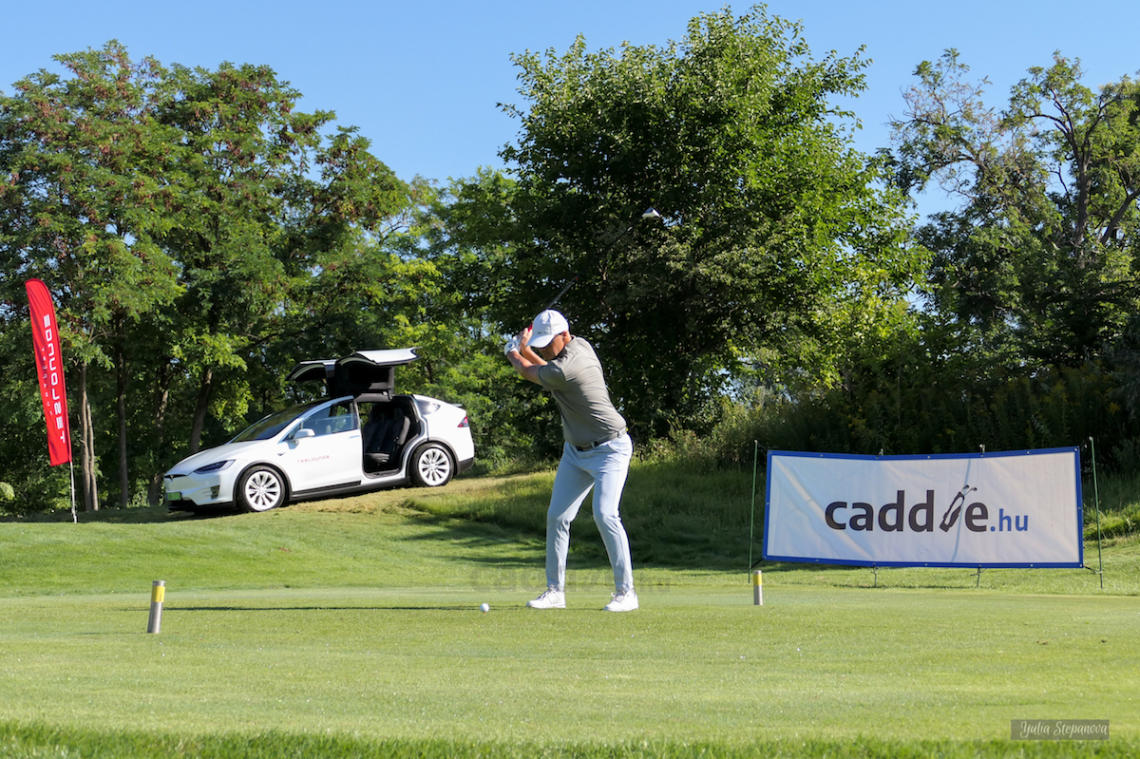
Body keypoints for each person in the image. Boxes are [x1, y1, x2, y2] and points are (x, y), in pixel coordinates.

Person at [504, 309, 638, 612]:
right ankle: (555, 592)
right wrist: (525, 348)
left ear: (564, 335)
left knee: (605, 515)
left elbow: (530, 372)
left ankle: (626, 593)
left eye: (547, 342)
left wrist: (513, 352)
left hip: (610, 450)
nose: (543, 348)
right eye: (540, 344)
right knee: (557, 517)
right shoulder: (580, 345)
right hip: (575, 453)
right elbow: (546, 369)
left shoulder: (570, 365)